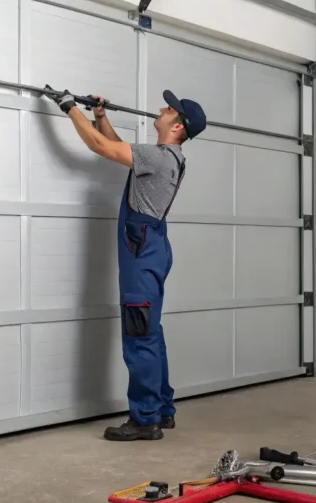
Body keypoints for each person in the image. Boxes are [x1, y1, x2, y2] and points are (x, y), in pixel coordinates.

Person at [42, 86, 207, 442]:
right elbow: (115, 147)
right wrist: (101, 117)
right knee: (151, 330)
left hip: (141, 251)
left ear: (178, 127)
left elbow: (100, 148)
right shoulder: (165, 157)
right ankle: (162, 409)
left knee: (140, 333)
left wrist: (70, 108)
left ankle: (145, 418)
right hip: (152, 247)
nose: (162, 109)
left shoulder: (160, 156)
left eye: (169, 109)